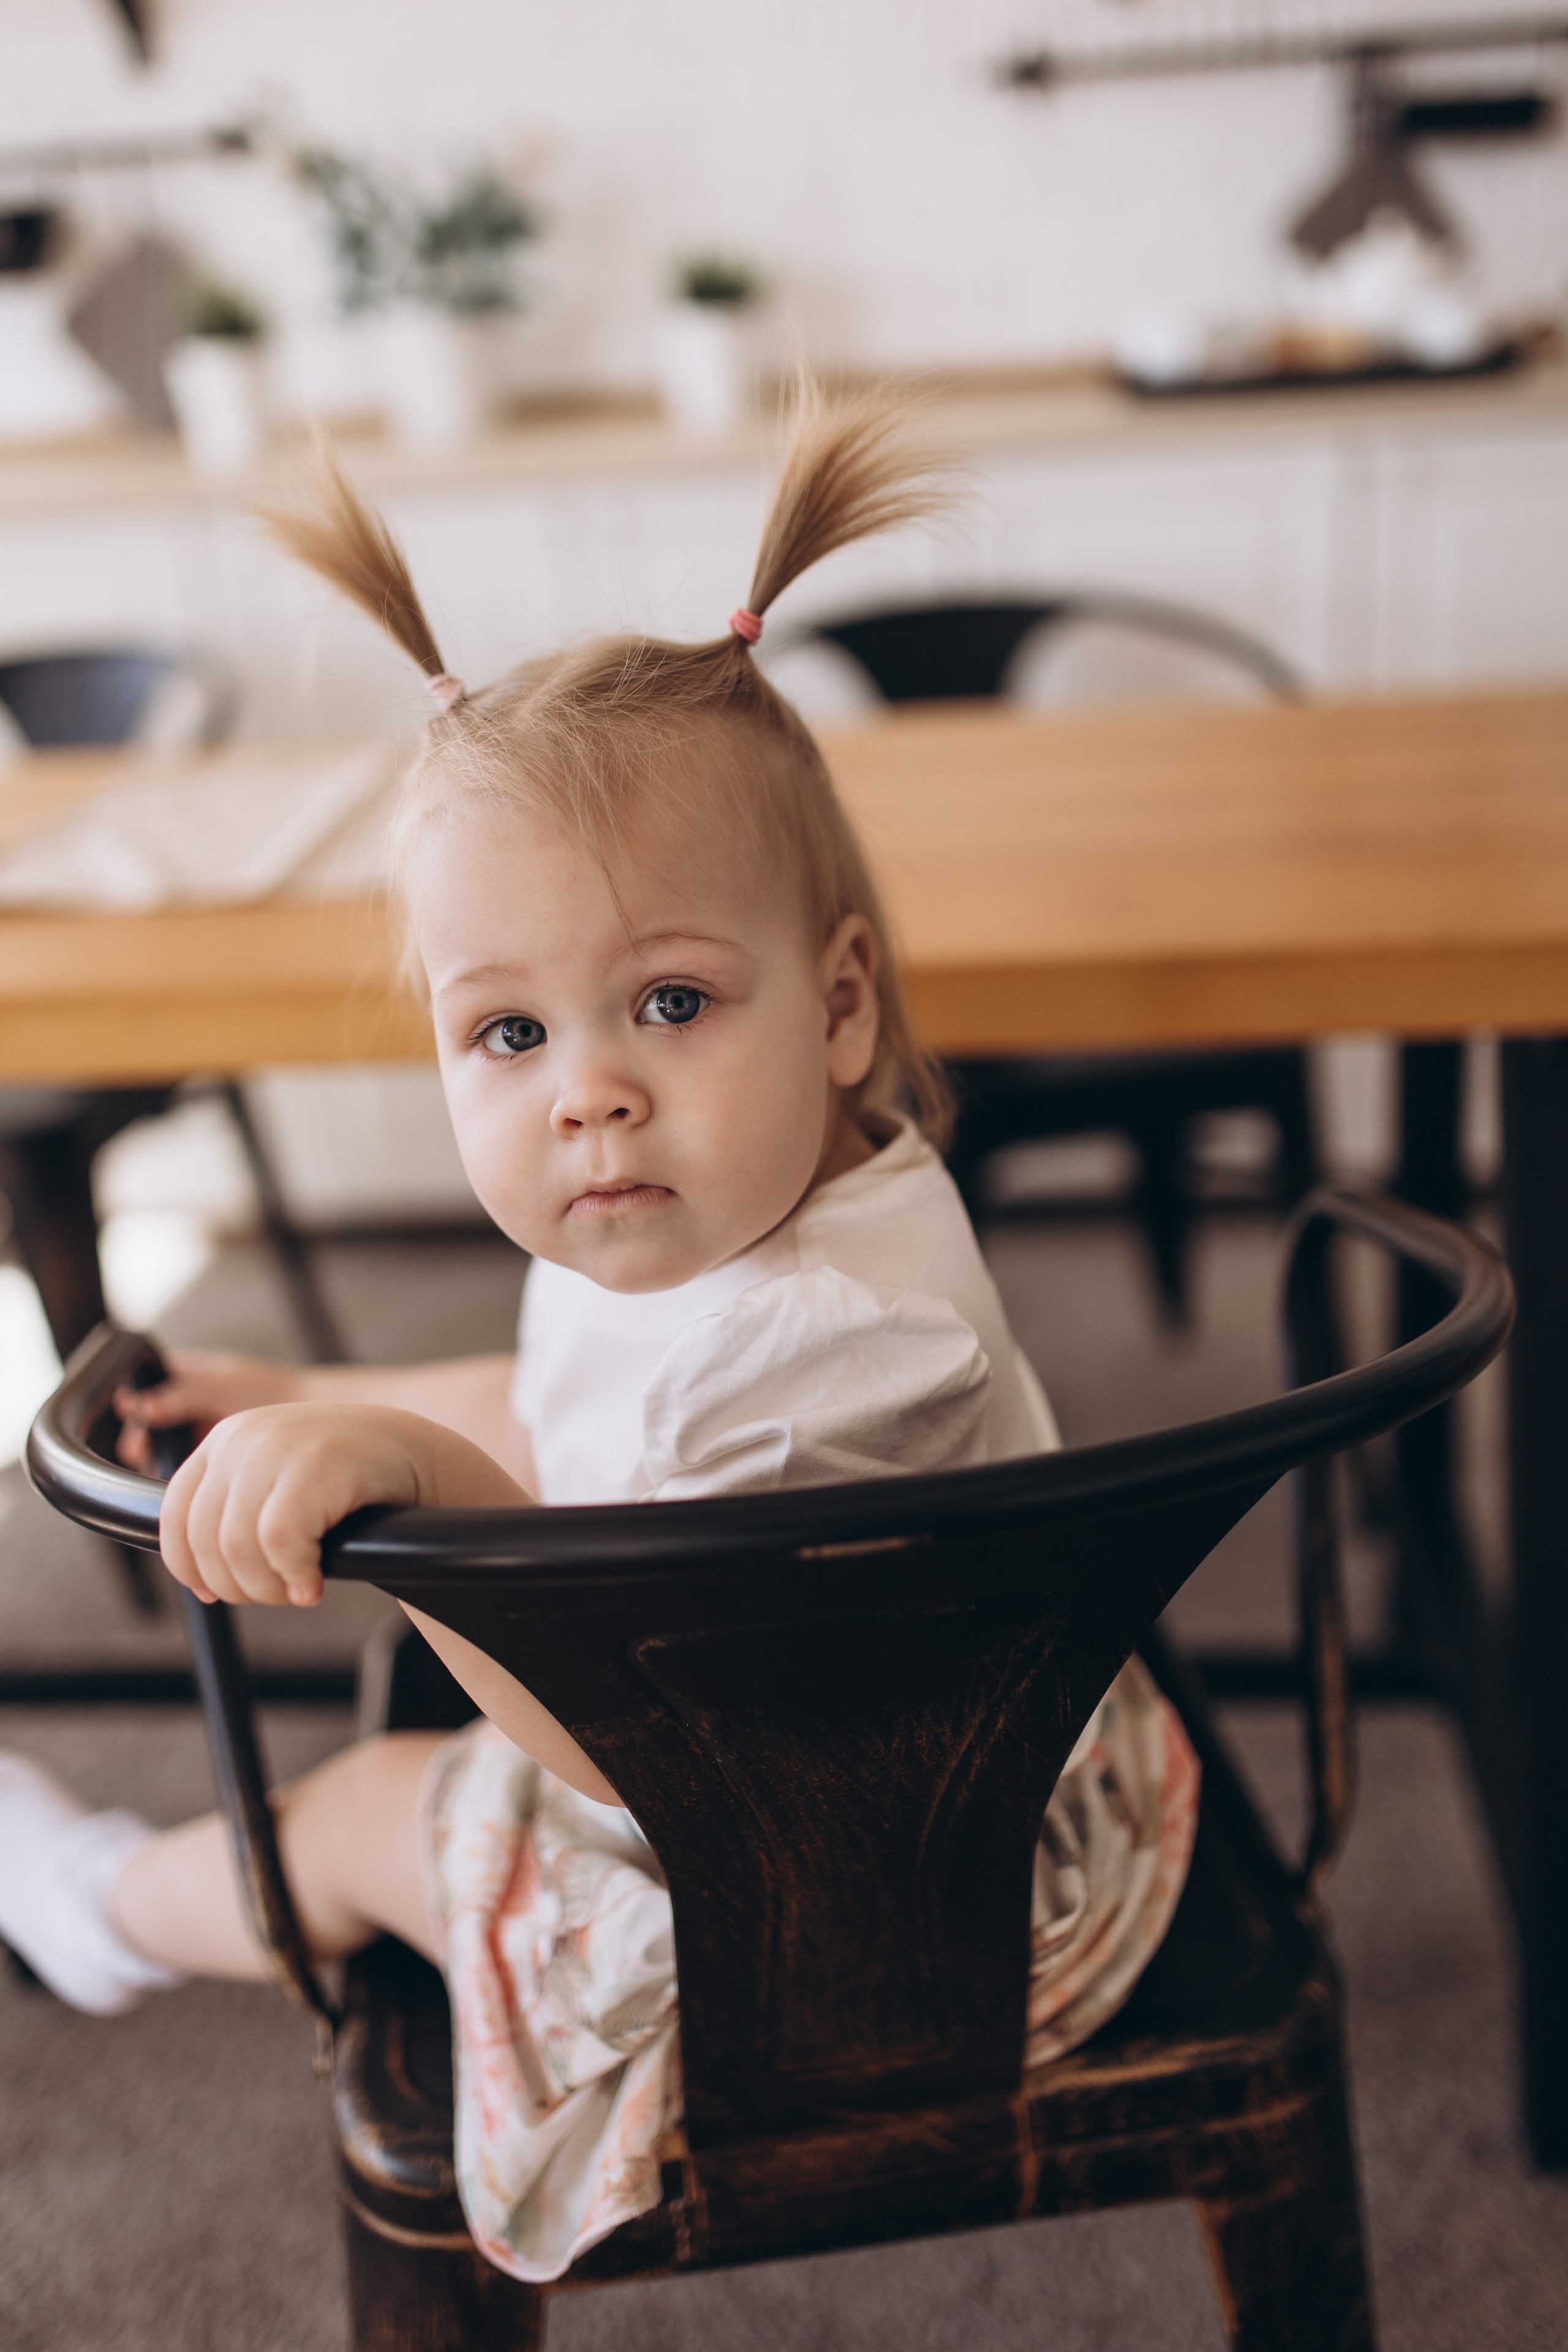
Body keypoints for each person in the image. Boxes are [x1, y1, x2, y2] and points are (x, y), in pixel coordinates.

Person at [0, 391, 1199, 2283]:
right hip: (904, 1743)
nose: (592, 1098)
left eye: (667, 999)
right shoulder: (715, 1211)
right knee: (411, 1700)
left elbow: (635, 1754)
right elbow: (558, 1405)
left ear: (841, 1005)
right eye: (510, 1034)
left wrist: (435, 1500)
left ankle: (94, 1912)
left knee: (376, 1807)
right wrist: (317, 1397)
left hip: (876, 1909)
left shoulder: (834, 1351)